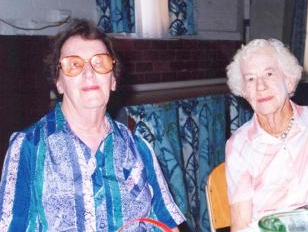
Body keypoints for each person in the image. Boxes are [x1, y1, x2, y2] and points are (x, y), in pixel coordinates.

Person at [0, 19, 185, 231]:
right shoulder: (28, 148)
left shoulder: (139, 148)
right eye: (74, 64)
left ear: (113, 80)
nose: (89, 73)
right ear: (58, 83)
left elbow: (167, 225)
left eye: (100, 62)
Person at [225, 38, 308, 231]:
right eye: (250, 79)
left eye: (269, 74)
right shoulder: (239, 145)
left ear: (289, 81)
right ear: (244, 92)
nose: (260, 86)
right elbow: (240, 224)